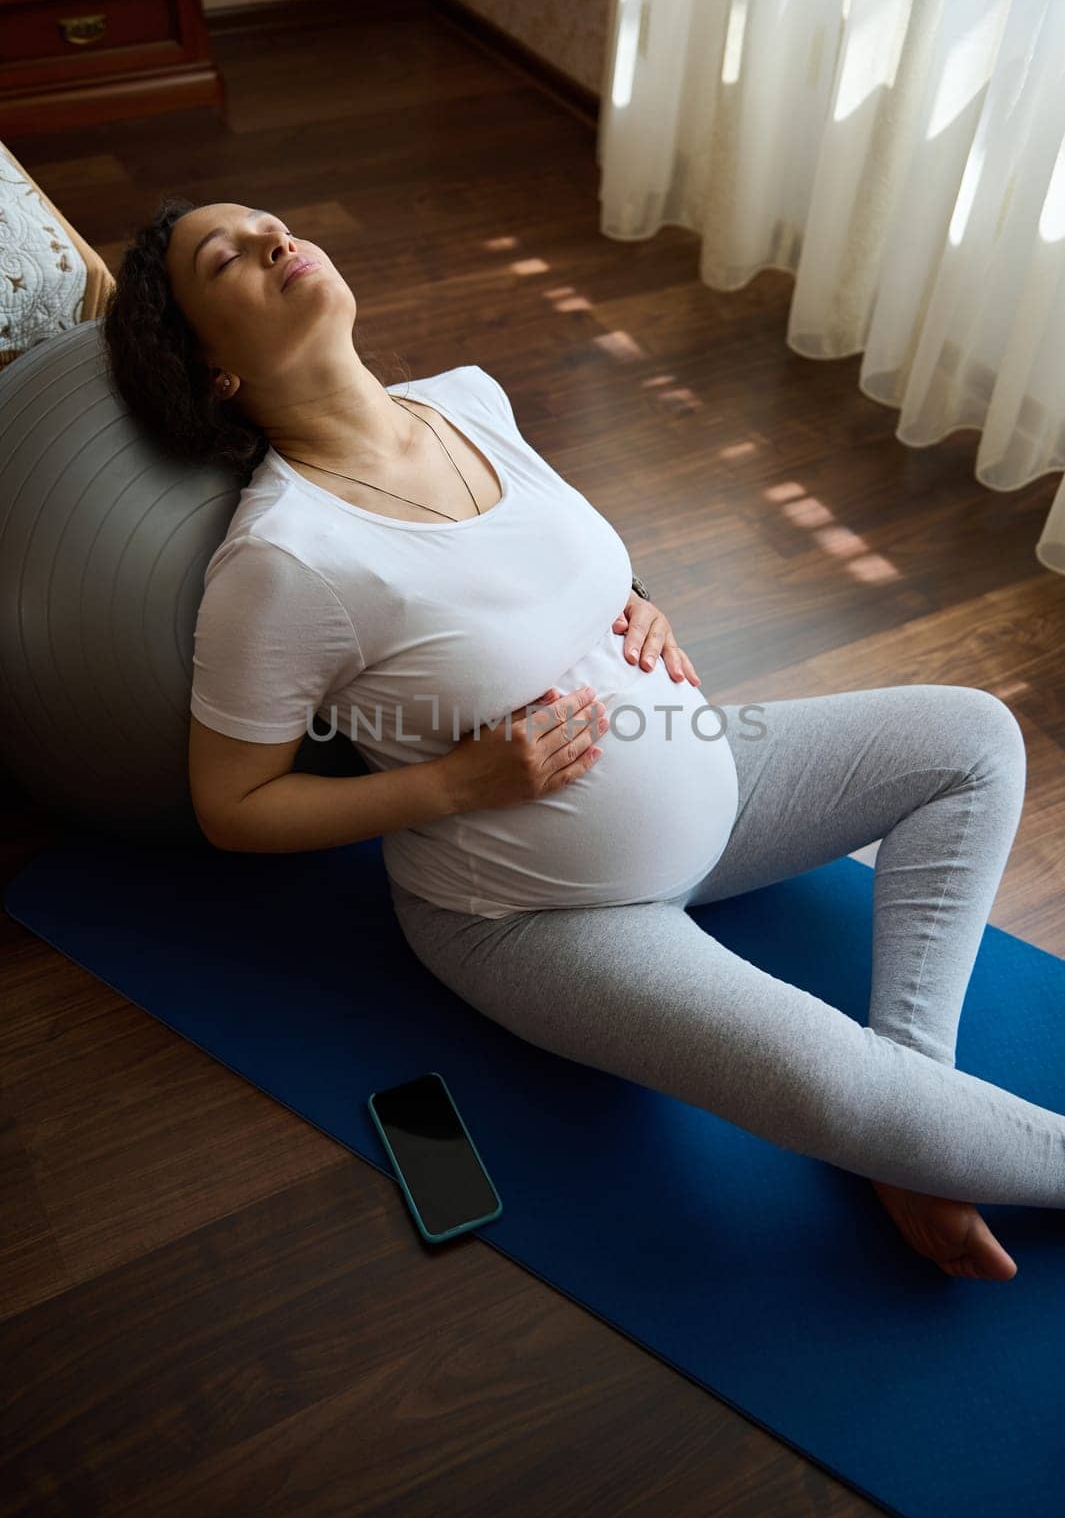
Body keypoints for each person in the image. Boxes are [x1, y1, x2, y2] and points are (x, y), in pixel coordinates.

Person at [103, 197, 1065, 1285]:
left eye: (269, 220)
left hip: (713, 771)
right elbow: (233, 806)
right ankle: (898, 1122)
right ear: (213, 367)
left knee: (975, 738)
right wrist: (456, 782)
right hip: (535, 914)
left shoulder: (466, 399)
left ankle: (911, 1125)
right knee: (834, 1088)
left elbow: (557, 545)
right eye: (226, 256)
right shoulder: (281, 561)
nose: (276, 238)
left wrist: (641, 593)